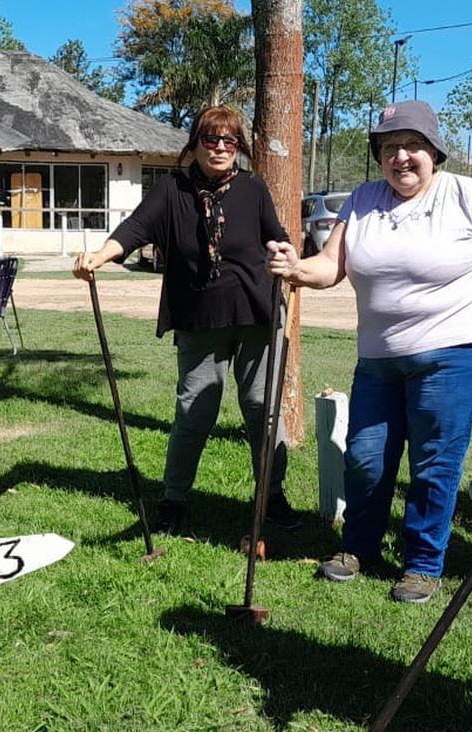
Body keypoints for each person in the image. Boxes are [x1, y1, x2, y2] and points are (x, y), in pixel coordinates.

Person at [266, 100, 472, 603]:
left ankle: (423, 563)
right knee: (366, 457)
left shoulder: (468, 195)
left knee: (434, 461)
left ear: (434, 151)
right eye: (389, 148)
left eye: (412, 146)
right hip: (381, 357)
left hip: (458, 352)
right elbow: (329, 265)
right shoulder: (363, 199)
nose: (401, 157)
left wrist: (471, 317)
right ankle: (358, 547)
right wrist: (295, 268)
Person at [72, 104, 302, 536]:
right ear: (194, 144)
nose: (218, 148)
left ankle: (272, 498)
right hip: (199, 315)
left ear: (238, 148)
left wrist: (287, 253)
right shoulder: (171, 189)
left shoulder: (253, 187)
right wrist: (99, 256)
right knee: (194, 408)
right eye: (209, 140)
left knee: (262, 408)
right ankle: (174, 502)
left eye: (228, 141)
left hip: (257, 310)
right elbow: (135, 229)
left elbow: (277, 234)